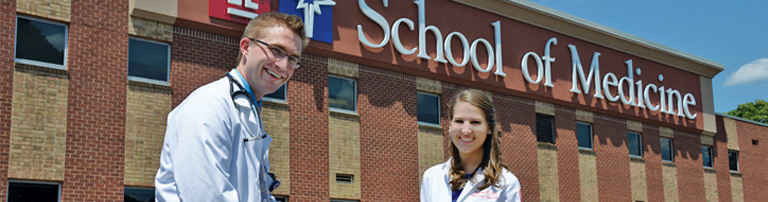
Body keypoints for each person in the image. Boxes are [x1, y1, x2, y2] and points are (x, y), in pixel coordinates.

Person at [155, 12, 309, 202]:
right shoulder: (208, 105)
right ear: (246, 47)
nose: (284, 65)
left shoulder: (250, 114)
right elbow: (207, 197)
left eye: (293, 58)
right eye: (276, 50)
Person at [420, 89, 522, 202]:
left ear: (489, 128)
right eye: (459, 121)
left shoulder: (506, 183)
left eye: (475, 122)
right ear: (450, 125)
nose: (466, 130)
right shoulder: (432, 177)